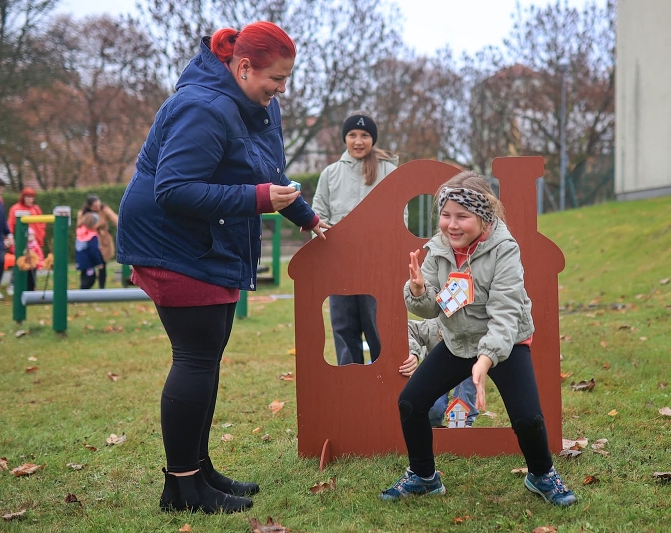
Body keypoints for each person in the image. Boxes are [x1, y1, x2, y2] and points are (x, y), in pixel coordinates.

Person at [116, 23, 329, 514]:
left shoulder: (259, 105)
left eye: (287, 78)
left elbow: (268, 171)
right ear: (243, 67)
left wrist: (306, 216)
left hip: (209, 240)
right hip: (173, 243)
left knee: (206, 357)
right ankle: (182, 488)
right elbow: (173, 189)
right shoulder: (202, 107)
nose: (282, 89)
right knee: (195, 357)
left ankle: (199, 470)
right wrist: (257, 200)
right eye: (276, 78)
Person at [381, 170, 577, 506]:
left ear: (483, 216)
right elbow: (431, 308)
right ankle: (424, 477)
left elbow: (506, 313)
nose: (451, 225)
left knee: (527, 418)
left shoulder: (504, 249)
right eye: (445, 215)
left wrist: (485, 360)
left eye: (462, 216)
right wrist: (417, 290)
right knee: (411, 402)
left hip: (505, 342)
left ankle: (542, 475)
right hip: (459, 341)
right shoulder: (438, 248)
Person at [311, 111, 398, 365]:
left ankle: (384, 379)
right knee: (344, 326)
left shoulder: (389, 171)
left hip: (377, 266)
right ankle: (349, 382)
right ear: (345, 138)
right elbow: (318, 215)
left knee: (378, 325)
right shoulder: (330, 174)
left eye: (364, 135)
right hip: (340, 266)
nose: (358, 141)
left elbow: (399, 216)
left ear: (373, 139)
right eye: (352, 135)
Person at [401, 318, 478, 427]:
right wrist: (413, 352)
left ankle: (463, 425)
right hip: (439, 367)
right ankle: (433, 426)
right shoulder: (434, 325)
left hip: (468, 364)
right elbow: (407, 329)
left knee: (462, 404)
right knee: (434, 408)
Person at [7, 187, 45, 295]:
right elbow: (10, 224)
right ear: (23, 197)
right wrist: (11, 238)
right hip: (21, 241)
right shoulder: (16, 208)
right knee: (20, 262)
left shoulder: (36, 209)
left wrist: (40, 236)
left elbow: (41, 224)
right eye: (27, 197)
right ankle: (13, 284)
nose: (29, 199)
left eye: (31, 197)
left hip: (34, 241)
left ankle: (31, 286)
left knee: (34, 263)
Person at [77, 194, 118, 289]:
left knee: (102, 264)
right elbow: (79, 226)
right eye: (95, 206)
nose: (97, 207)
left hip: (103, 241)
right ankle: (84, 288)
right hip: (89, 240)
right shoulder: (83, 213)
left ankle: (101, 288)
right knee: (87, 266)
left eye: (98, 205)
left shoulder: (104, 209)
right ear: (89, 206)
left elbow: (115, 219)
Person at [75, 213, 105, 289]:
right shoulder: (92, 235)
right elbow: (94, 251)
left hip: (81, 261)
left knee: (84, 278)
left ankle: (82, 293)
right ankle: (81, 295)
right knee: (90, 280)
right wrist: (98, 263)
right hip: (89, 263)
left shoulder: (80, 232)